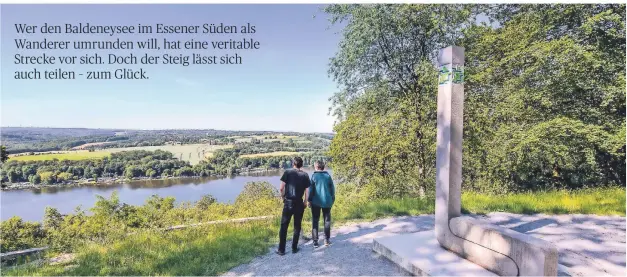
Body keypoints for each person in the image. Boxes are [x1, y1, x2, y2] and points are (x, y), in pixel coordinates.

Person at [277, 156, 310, 255]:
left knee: (284, 226)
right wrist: (305, 202)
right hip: (299, 203)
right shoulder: (305, 175)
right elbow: (307, 191)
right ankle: (294, 248)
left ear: (293, 164)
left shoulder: (287, 172)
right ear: (302, 165)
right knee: (297, 226)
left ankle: (281, 250)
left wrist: (283, 198)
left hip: (288, 202)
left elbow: (281, 188)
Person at [307, 160, 335, 248]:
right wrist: (332, 200)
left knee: (315, 221)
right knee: (327, 221)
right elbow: (332, 190)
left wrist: (309, 200)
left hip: (315, 202)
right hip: (327, 201)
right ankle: (327, 240)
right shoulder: (328, 176)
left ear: (316, 167)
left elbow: (311, 190)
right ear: (323, 167)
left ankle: (315, 242)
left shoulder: (314, 176)